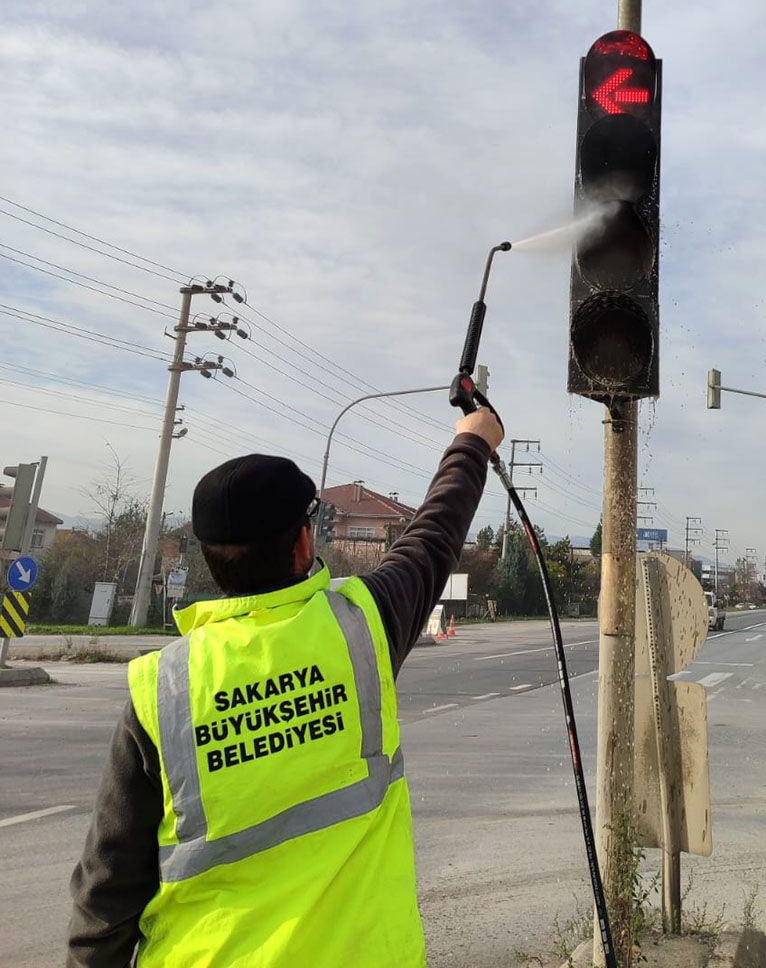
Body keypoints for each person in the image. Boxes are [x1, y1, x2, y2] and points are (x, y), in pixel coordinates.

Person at [67, 407, 503, 968]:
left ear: (211, 559)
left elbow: (105, 894)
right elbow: (433, 535)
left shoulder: (165, 688)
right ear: (302, 545)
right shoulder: (359, 629)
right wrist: (472, 442)